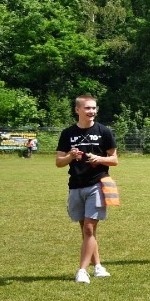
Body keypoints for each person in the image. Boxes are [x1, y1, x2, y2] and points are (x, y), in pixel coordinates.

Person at [55, 94, 118, 284]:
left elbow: (114, 159)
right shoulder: (67, 133)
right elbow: (59, 162)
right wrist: (71, 157)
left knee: (89, 229)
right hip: (75, 186)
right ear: (77, 110)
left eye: (94, 108)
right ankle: (98, 266)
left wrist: (99, 159)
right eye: (87, 108)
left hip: (97, 184)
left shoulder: (104, 131)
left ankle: (82, 270)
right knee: (86, 231)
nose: (91, 111)